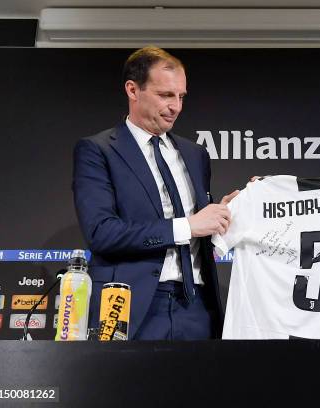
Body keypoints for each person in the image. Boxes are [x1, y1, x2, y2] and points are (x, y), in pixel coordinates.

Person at [73, 46, 237, 340]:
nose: (176, 107)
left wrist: (223, 216)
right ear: (133, 90)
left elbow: (198, 229)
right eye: (165, 95)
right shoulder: (97, 151)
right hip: (131, 307)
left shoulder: (195, 154)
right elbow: (102, 233)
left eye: (181, 96)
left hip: (197, 305)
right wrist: (188, 225)